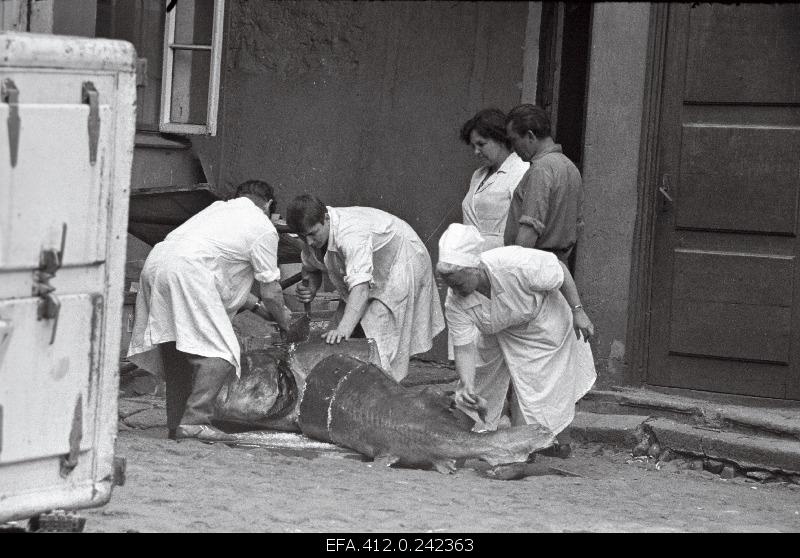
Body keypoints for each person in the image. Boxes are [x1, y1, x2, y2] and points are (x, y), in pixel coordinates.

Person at [127, 180, 292, 442]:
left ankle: (177, 425)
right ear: (269, 205)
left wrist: (260, 310)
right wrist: (285, 322)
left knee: (178, 347)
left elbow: (221, 278)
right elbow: (271, 291)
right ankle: (194, 421)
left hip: (158, 264)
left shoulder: (217, 211)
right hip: (188, 272)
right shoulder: (262, 227)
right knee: (222, 352)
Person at [437, 223, 596, 457]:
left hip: (541, 321)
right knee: (478, 377)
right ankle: (459, 441)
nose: (454, 290)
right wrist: (467, 383)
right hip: (497, 327)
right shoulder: (455, 301)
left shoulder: (514, 263)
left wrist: (578, 311)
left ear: (475, 268)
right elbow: (464, 348)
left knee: (536, 385)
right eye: (450, 284)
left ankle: (540, 443)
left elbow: (560, 270)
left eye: (459, 283)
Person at [286, 194, 445, 381]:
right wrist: (311, 288)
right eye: (304, 237)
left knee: (377, 331)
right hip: (370, 269)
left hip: (401, 261)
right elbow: (312, 266)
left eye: (313, 234)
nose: (310, 242)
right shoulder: (312, 236)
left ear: (326, 218)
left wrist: (344, 330)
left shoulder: (351, 234)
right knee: (333, 333)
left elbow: (360, 289)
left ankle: (385, 389)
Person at [503, 104, 584, 271]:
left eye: (514, 140)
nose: (513, 148)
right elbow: (577, 225)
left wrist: (514, 272)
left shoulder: (541, 169)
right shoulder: (570, 167)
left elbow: (530, 228)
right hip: (558, 267)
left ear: (530, 136)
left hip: (533, 268)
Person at [460, 108, 530, 251]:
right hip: (473, 258)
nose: (476, 152)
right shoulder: (478, 175)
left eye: (481, 144)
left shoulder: (520, 170)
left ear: (500, 139)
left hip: (502, 257)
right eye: (473, 146)